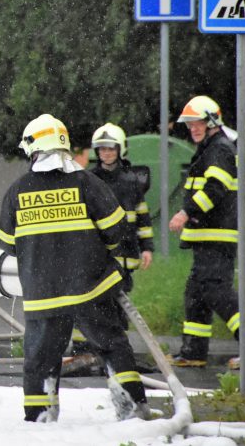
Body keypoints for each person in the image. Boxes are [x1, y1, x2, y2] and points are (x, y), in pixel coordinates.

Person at [0, 114, 148, 423]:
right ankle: (133, 410)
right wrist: (98, 256)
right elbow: (117, 229)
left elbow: (8, 244)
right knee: (112, 345)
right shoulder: (87, 183)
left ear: (35, 149)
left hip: (43, 296)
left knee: (40, 359)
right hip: (90, 289)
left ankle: (40, 418)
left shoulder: (17, 190)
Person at [168, 95, 245, 369]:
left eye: (199, 123)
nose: (193, 128)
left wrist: (186, 212)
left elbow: (215, 189)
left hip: (217, 235)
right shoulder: (209, 148)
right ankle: (193, 351)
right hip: (207, 236)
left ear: (213, 122)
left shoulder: (218, 149)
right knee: (196, 292)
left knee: (217, 291)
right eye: (190, 124)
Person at [64, 123, 155, 374]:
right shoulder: (88, 180)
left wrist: (147, 247)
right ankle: (85, 353)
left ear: (120, 149)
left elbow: (143, 219)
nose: (106, 153)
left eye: (110, 148)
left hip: (125, 258)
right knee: (89, 303)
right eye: (102, 149)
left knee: (117, 308)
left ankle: (115, 356)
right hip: (97, 257)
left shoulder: (132, 182)